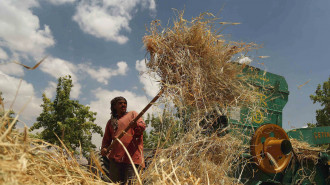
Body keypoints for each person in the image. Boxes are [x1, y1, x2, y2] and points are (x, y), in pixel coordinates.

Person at [101, 96, 146, 185]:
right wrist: (104, 148)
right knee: (115, 183)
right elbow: (106, 139)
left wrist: (135, 125)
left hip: (132, 158)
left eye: (125, 103)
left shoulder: (133, 114)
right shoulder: (111, 122)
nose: (123, 105)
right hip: (116, 160)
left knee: (131, 183)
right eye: (120, 103)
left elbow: (142, 126)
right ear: (114, 106)